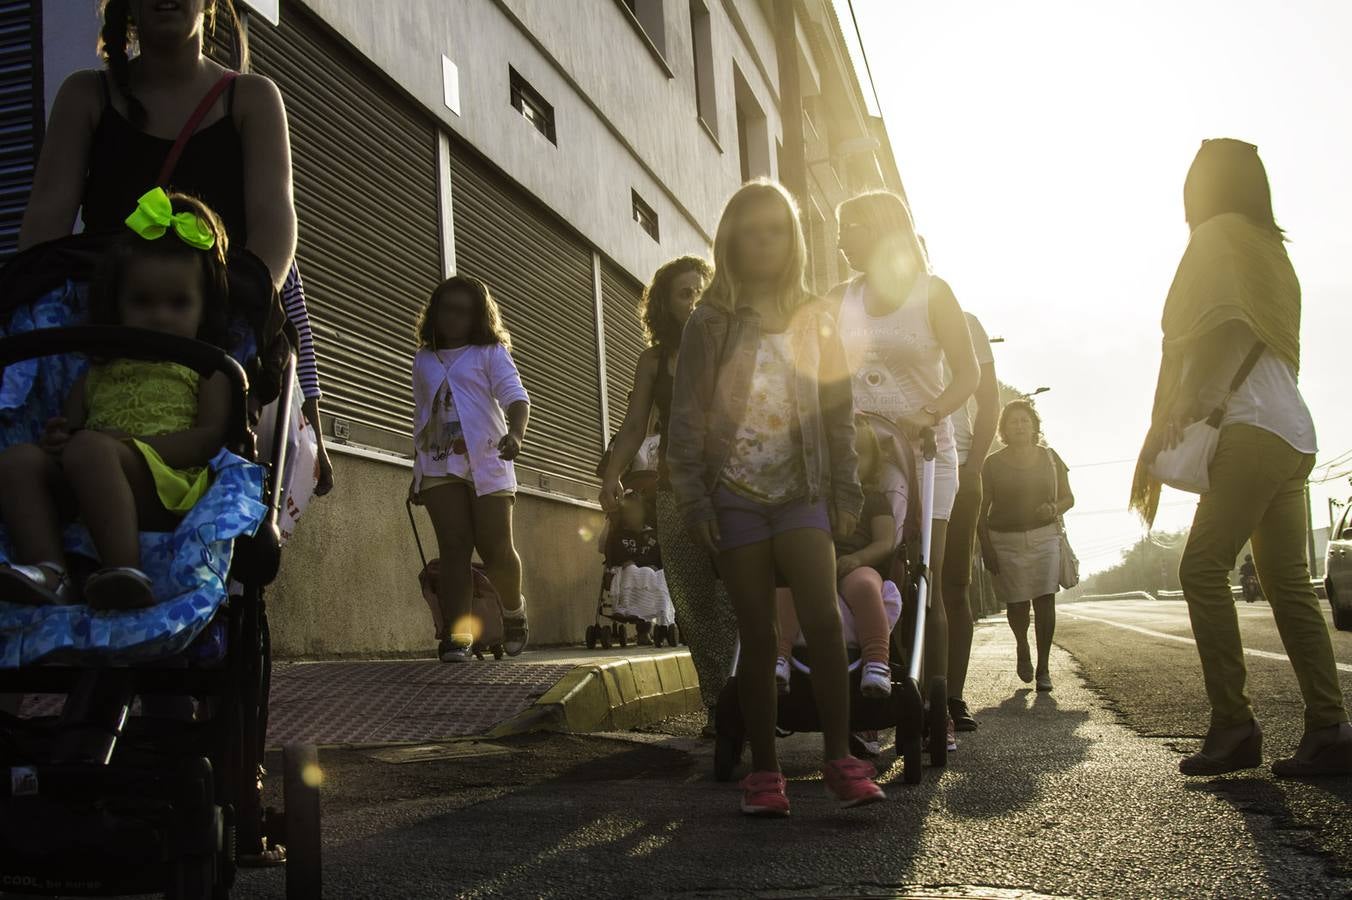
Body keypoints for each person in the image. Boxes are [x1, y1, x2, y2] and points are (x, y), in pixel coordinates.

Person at [20, 0, 334, 493]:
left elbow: (275, 224)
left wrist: (237, 315)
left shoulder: (250, 98)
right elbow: (43, 228)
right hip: (101, 323)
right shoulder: (87, 94)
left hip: (212, 321)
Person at [1131, 138, 1351, 778]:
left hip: (1251, 428)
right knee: (1287, 587)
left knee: (1201, 569)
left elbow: (1222, 322)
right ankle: (1330, 728)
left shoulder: (1217, 238)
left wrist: (1192, 395)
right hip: (1293, 430)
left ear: (1204, 188)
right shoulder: (1269, 248)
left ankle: (1233, 726)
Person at [667, 180, 884, 817]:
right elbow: (687, 418)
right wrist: (695, 503)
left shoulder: (817, 316)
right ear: (731, 241)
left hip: (803, 492)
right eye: (751, 232)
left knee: (820, 619)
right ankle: (765, 772)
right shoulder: (709, 322)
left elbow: (839, 413)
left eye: (776, 231)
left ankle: (841, 757)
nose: (764, 242)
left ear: (793, 240)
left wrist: (847, 490)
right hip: (732, 497)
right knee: (759, 637)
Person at [0, 189, 232, 609]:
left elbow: (209, 439)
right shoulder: (96, 372)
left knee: (91, 449)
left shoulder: (204, 369)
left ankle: (126, 570)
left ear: (204, 309)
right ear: (117, 304)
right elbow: (68, 435)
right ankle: (50, 571)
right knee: (18, 460)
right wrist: (57, 439)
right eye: (142, 301)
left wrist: (123, 448)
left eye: (178, 303)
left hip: (164, 487)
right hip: (90, 475)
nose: (160, 315)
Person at [831, 191, 980, 752]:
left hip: (923, 453)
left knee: (922, 578)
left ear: (881, 229)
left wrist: (931, 411)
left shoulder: (932, 293)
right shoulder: (840, 299)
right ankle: (872, 695)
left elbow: (965, 375)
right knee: (864, 570)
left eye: (851, 225)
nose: (841, 236)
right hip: (859, 458)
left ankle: (933, 701)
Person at [597, 255, 737, 738]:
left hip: (737, 487)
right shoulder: (654, 361)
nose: (695, 298)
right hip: (677, 488)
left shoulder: (733, 344)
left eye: (702, 289)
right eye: (684, 293)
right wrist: (612, 476)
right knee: (691, 598)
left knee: (734, 596)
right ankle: (719, 706)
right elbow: (635, 423)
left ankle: (753, 696)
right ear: (664, 304)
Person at [410, 275, 531, 662]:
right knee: (454, 548)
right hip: (438, 464)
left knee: (496, 550)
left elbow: (516, 398)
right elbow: (422, 414)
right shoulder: (423, 358)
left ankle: (513, 610)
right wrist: (417, 470)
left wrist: (515, 435)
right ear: (435, 312)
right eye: (447, 309)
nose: (453, 318)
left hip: (488, 458)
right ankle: (457, 632)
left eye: (463, 311)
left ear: (477, 316)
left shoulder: (490, 353)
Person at [775, 414, 897, 699]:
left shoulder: (874, 498)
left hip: (857, 564)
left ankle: (877, 661)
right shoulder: (812, 496)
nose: (851, 464)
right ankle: (778, 657)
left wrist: (858, 558)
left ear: (873, 462)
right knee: (785, 587)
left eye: (860, 456)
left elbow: (886, 541)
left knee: (866, 587)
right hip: (814, 564)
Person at [978, 399, 1073, 692]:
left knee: (1045, 599)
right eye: (1013, 422)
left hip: (1045, 538)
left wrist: (1053, 509)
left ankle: (1044, 667)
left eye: (1024, 420)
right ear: (1004, 429)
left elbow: (1069, 498)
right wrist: (986, 548)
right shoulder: (991, 464)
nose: (1019, 426)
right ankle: (1022, 645)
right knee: (1017, 603)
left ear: (1034, 425)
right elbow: (981, 512)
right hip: (1004, 540)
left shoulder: (1050, 458)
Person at [942, 310, 999, 731]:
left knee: (952, 588)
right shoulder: (863, 311)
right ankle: (892, 692)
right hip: (887, 464)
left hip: (956, 464)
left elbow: (990, 398)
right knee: (891, 586)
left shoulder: (962, 321)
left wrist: (975, 465)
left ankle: (950, 696)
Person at [600, 491, 672, 644]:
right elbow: (614, 552)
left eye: (636, 511)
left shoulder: (652, 534)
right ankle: (626, 607)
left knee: (657, 575)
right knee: (632, 571)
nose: (632, 515)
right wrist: (625, 562)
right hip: (627, 569)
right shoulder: (619, 535)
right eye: (628, 512)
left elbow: (658, 555)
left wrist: (653, 565)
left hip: (650, 571)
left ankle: (658, 622)